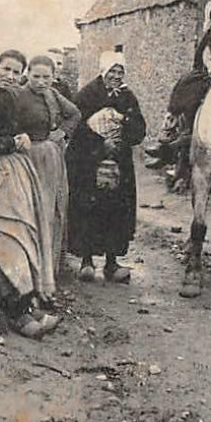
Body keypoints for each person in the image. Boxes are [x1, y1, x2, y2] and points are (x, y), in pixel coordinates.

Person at [0, 49, 59, 339]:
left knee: (22, 234)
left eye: (16, 72)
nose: (10, 76)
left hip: (9, 168)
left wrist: (21, 137)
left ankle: (27, 303)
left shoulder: (8, 95)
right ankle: (16, 312)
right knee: (5, 235)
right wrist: (14, 141)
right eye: (5, 69)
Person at [66, 51, 146, 283]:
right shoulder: (88, 95)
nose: (116, 76)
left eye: (120, 71)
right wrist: (100, 143)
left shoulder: (128, 97)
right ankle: (87, 261)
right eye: (112, 71)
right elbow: (76, 127)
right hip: (88, 162)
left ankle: (112, 263)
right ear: (103, 71)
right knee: (89, 208)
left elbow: (140, 130)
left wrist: (125, 123)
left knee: (116, 210)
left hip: (119, 162)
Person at [145, 0, 211, 166]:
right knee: (187, 90)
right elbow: (207, 56)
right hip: (210, 74)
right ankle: (174, 129)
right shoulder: (210, 35)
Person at [14, 55, 81, 280]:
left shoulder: (53, 94)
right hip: (28, 158)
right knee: (34, 210)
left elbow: (74, 114)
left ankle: (51, 266)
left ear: (53, 77)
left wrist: (61, 132)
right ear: (28, 75)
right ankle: (31, 268)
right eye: (36, 76)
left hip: (52, 157)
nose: (41, 81)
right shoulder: (19, 96)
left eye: (46, 77)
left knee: (54, 209)